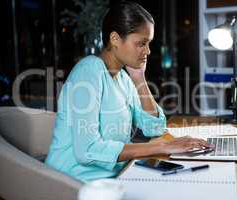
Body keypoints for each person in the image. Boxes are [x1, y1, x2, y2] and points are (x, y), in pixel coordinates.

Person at [45, 1, 212, 182]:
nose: (147, 51)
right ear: (115, 39)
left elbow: (154, 128)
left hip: (115, 176)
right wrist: (163, 147)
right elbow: (87, 150)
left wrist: (139, 78)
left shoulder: (124, 78)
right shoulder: (89, 71)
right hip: (73, 181)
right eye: (141, 43)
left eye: (148, 44)